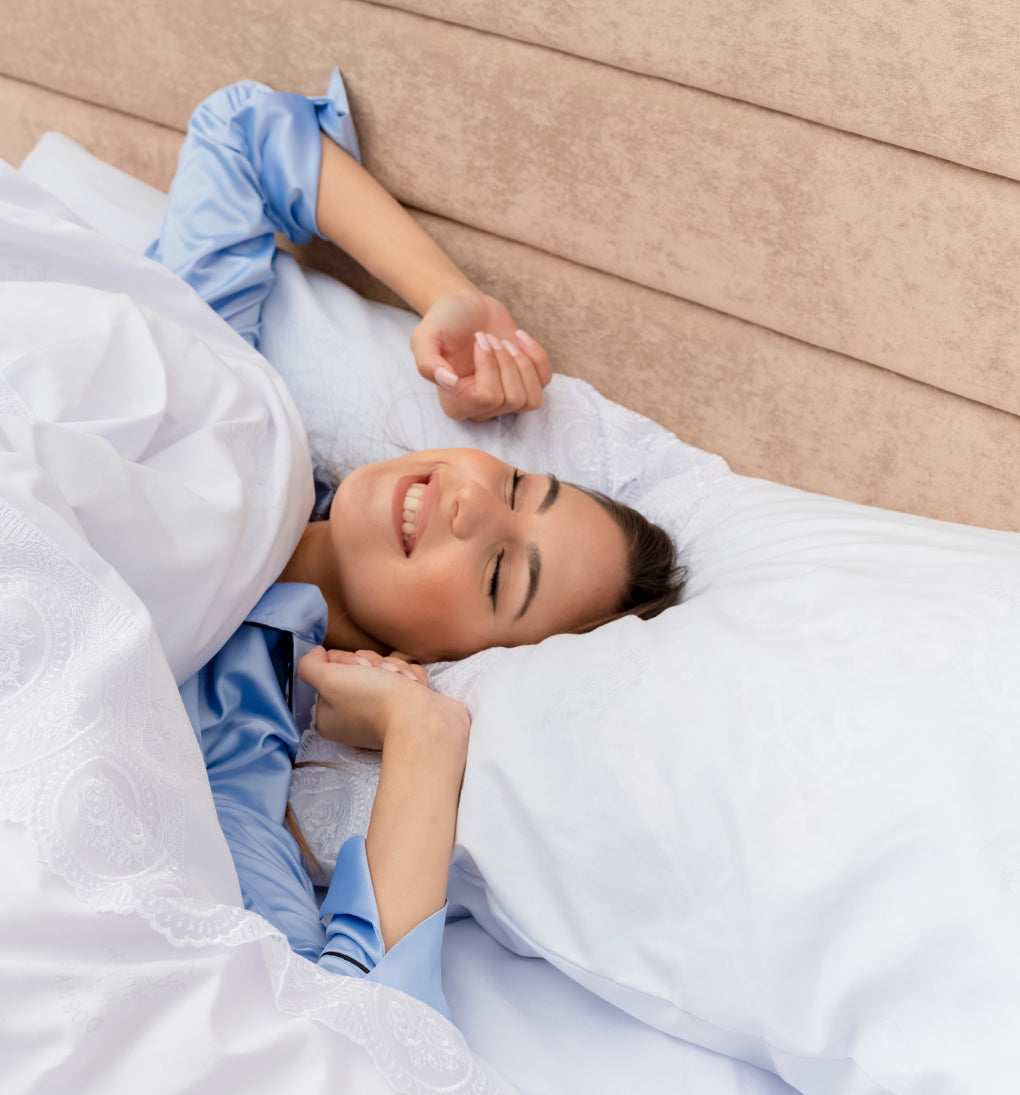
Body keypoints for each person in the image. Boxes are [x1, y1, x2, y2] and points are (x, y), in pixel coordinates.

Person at [151, 73, 685, 1017]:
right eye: (518, 482)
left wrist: (421, 737)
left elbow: (346, 1032)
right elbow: (240, 136)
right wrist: (451, 296)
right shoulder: (230, 397)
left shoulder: (236, 730)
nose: (475, 506)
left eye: (497, 573)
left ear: (423, 660)